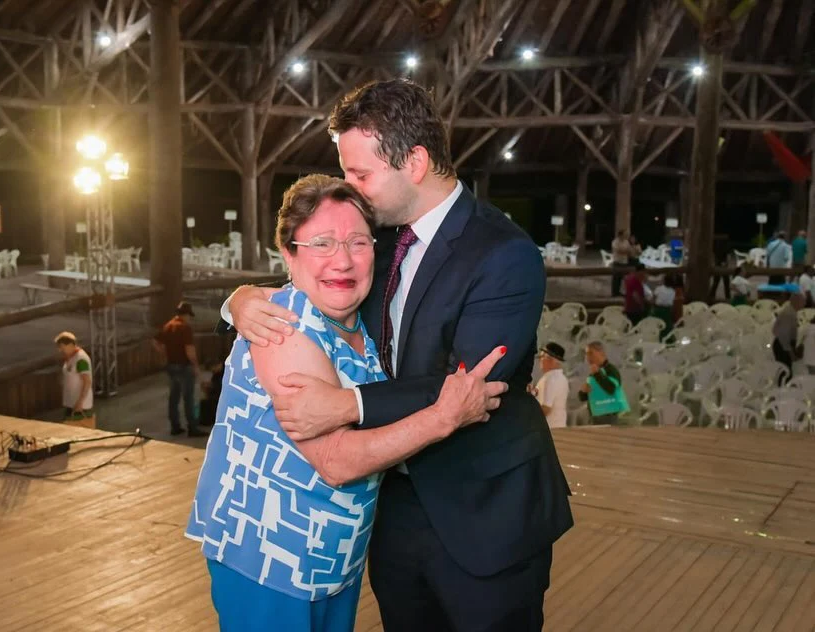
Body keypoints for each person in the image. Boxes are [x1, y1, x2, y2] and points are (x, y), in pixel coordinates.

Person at [222, 79, 573, 631]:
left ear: (414, 162)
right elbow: (313, 278)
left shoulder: (504, 253)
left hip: (484, 511)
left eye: (361, 174)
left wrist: (345, 406)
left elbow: (464, 387)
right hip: (393, 508)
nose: (353, 189)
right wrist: (238, 301)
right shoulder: (378, 238)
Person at [186, 175, 507, 632]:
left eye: (358, 241)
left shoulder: (363, 318)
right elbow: (335, 461)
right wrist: (445, 417)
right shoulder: (283, 327)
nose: (342, 259)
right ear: (289, 255)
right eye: (321, 243)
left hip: (333, 556)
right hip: (266, 559)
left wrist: (236, 297)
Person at [153, 301, 206, 437]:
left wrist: (165, 354)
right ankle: (192, 428)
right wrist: (195, 366)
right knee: (188, 398)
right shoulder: (185, 328)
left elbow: (155, 342)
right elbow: (189, 350)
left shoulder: (168, 326)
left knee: (174, 397)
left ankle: (175, 426)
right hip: (184, 366)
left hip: (171, 366)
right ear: (187, 314)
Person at [577, 342, 628, 425]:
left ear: (601, 353)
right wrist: (583, 392)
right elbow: (583, 398)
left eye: (590, 353)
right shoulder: (594, 372)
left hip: (608, 417)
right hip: (594, 416)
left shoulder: (611, 370)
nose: (587, 357)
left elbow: (611, 389)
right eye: (586, 354)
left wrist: (597, 374)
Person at [55, 331, 92, 421]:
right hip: (70, 402)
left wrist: (80, 402)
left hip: (80, 405)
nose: (60, 350)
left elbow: (87, 381)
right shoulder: (70, 357)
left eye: (62, 347)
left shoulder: (81, 359)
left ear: (71, 344)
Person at [534, 342, 569, 429]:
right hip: (558, 427)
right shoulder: (562, 378)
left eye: (542, 357)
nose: (540, 361)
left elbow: (546, 409)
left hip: (550, 429)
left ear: (550, 359)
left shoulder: (551, 379)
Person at [772, 293, 804, 383]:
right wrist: (791, 353)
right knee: (785, 374)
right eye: (802, 301)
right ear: (796, 302)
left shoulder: (790, 311)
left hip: (782, 344)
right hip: (782, 346)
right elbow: (783, 336)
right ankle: (782, 394)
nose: (804, 304)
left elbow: (774, 329)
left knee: (785, 372)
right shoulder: (789, 314)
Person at [196, 360, 224, 426]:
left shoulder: (222, 375)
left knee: (209, 402)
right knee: (204, 402)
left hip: (219, 396)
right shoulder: (216, 375)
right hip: (215, 394)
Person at [652, 274, 676, 340]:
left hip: (658, 309)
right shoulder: (673, 291)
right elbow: (672, 303)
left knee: (657, 326)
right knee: (666, 327)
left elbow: (653, 298)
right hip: (667, 310)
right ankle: (667, 340)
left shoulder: (659, 288)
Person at [611, 230, 633, 296]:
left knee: (623, 279)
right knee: (616, 279)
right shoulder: (615, 242)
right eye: (624, 234)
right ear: (620, 235)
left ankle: (621, 292)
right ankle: (614, 293)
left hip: (624, 262)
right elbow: (619, 251)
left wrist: (626, 251)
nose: (625, 236)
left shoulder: (626, 242)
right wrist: (625, 251)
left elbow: (630, 251)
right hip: (617, 262)